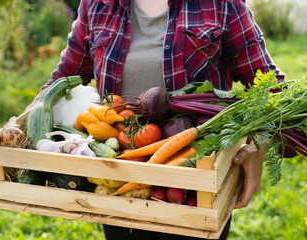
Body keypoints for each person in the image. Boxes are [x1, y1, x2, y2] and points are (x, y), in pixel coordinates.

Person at [30, 0, 285, 239]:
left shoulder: (222, 4)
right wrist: (29, 119)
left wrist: (258, 146)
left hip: (195, 190)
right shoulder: (97, 4)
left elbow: (272, 90)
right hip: (120, 187)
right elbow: (63, 78)